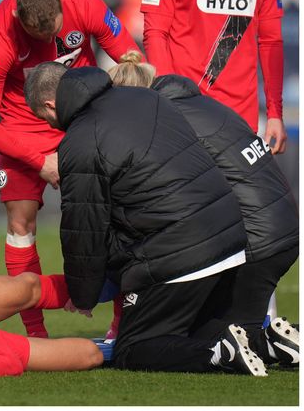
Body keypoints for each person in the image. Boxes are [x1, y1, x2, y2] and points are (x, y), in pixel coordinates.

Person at [25, 62, 266, 376]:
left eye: (44, 119)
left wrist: (83, 294)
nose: (49, 125)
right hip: (230, 234)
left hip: (183, 251)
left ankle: (220, 352)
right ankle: (267, 340)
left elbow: (84, 229)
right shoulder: (145, 98)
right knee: (188, 332)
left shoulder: (80, 141)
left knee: (133, 348)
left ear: (50, 105)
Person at [0, 0, 142, 338]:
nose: (50, 42)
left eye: (57, 31)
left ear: (63, 7)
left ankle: (121, 325)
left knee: (116, 216)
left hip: (80, 115)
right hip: (22, 126)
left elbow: (131, 59)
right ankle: (36, 333)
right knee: (21, 224)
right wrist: (39, 160)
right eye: (38, 35)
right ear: (18, 17)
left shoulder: (85, 1)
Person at [108, 50, 299, 367]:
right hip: (282, 228)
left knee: (202, 338)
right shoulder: (203, 104)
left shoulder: (166, 121)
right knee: (231, 330)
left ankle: (268, 342)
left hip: (254, 241)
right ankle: (279, 343)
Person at [140, 0, 287, 154]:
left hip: (240, 120)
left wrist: (275, 113)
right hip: (185, 114)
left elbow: (271, 42)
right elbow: (155, 33)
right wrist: (168, 99)